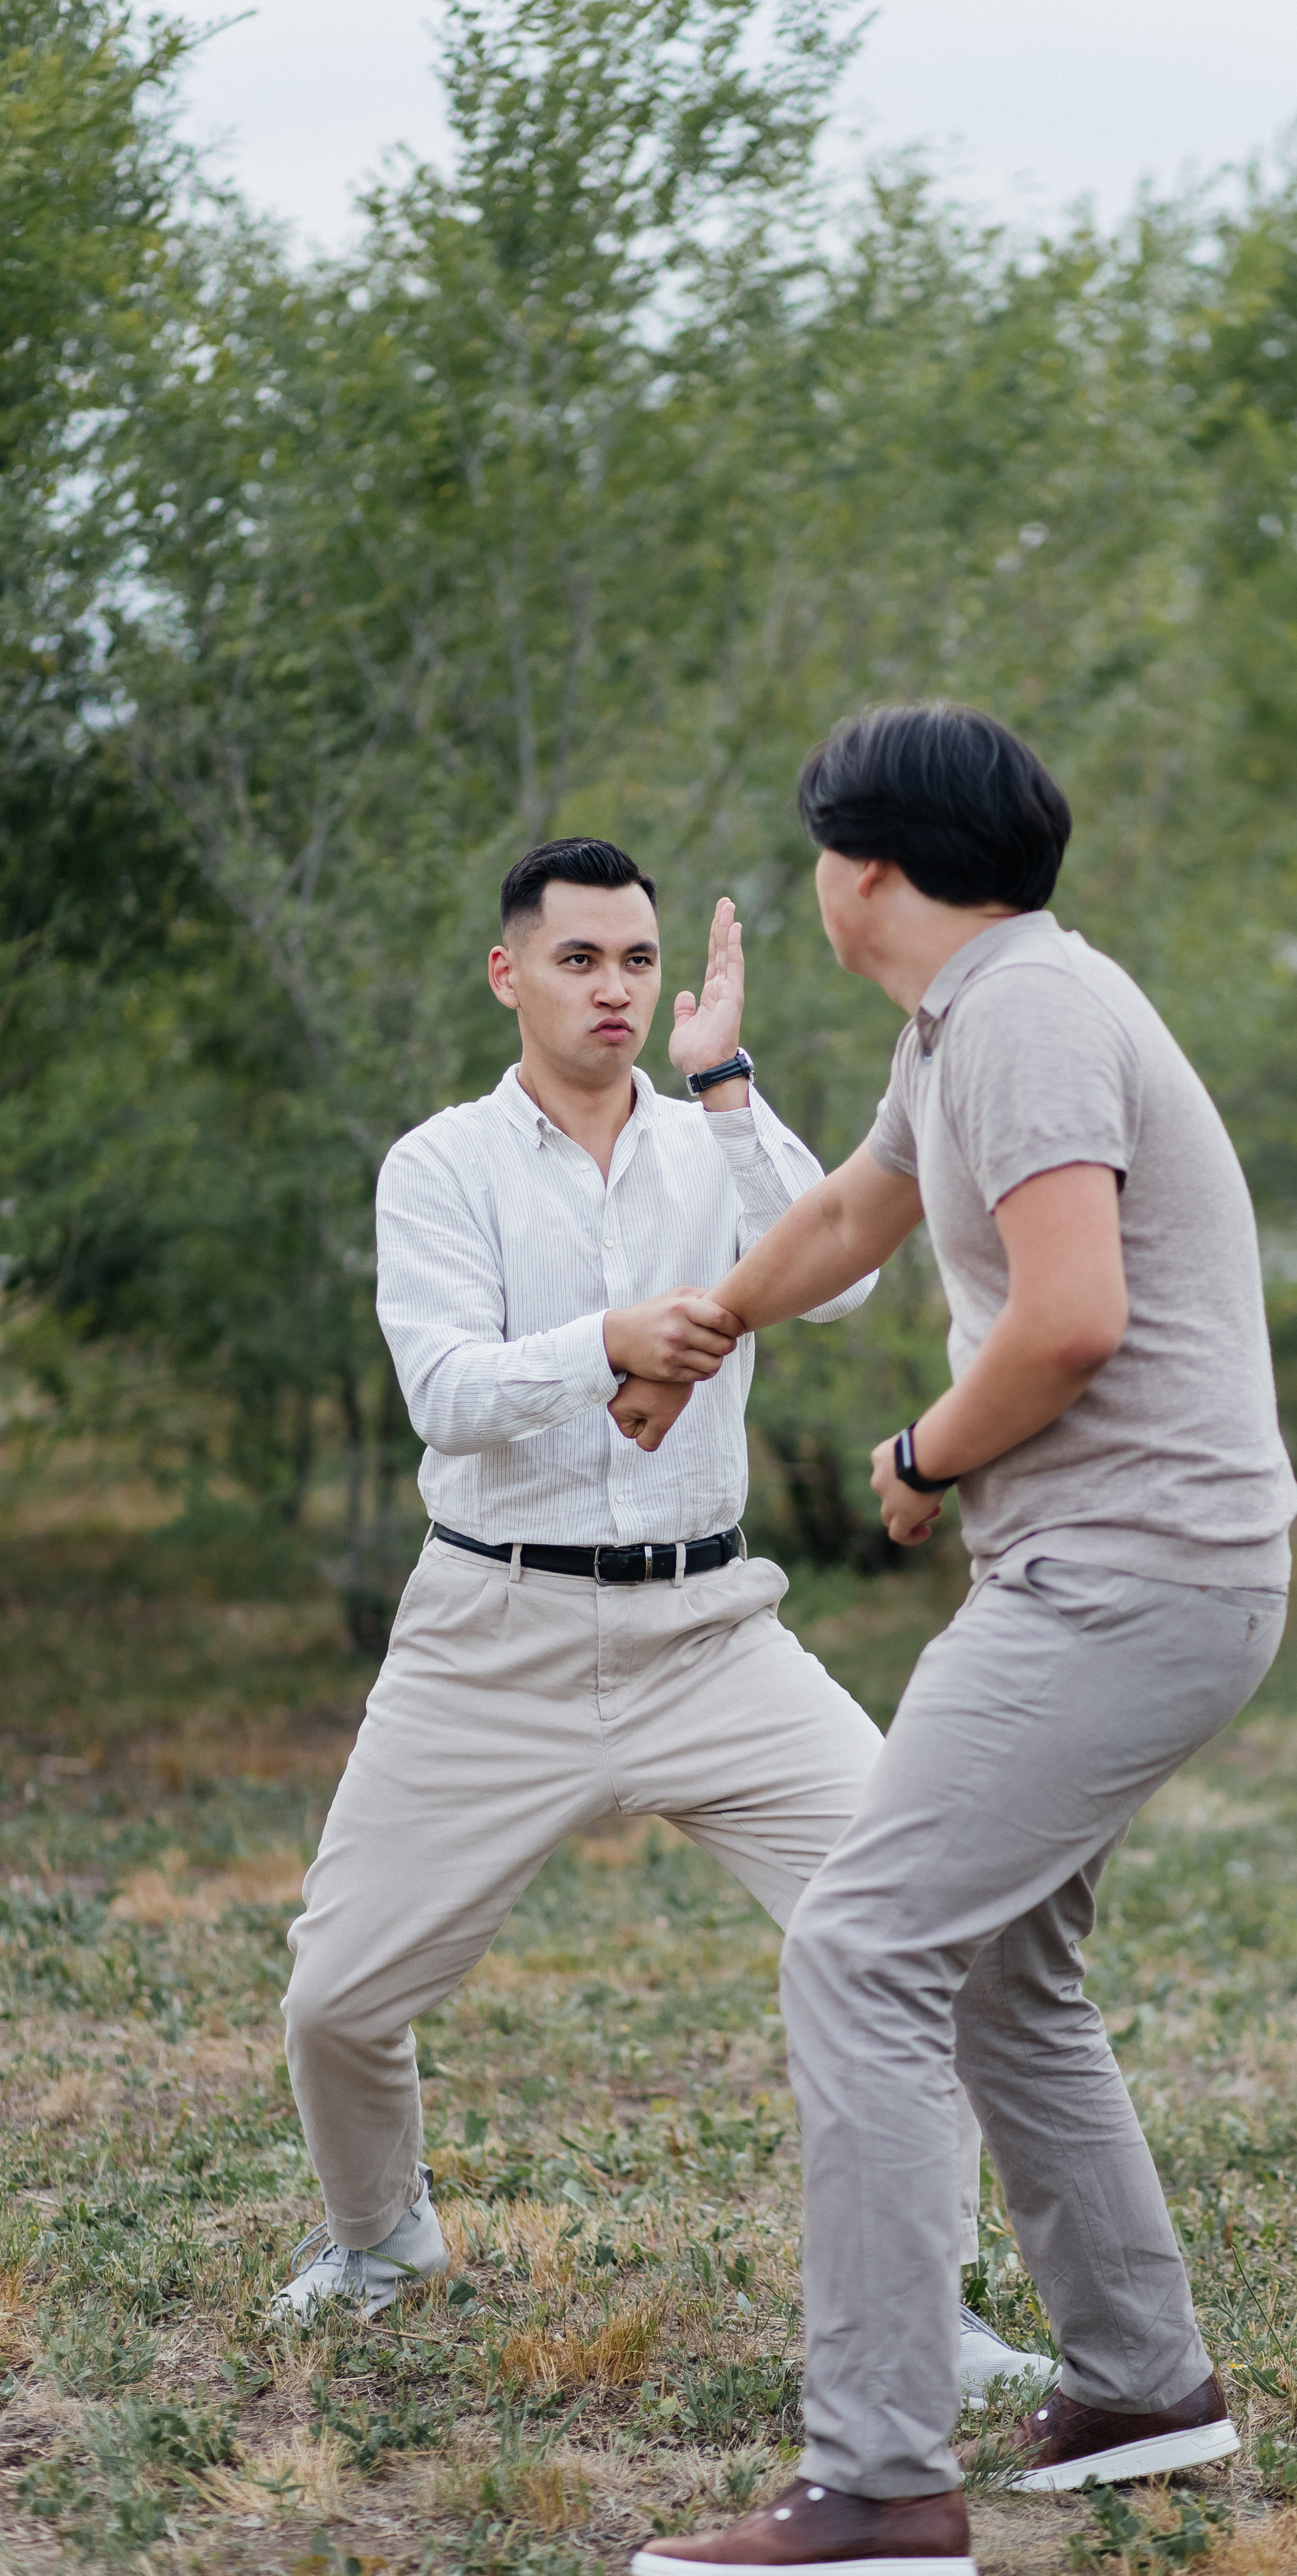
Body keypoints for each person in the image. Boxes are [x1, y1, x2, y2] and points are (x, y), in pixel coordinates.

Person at [632, 708, 1297, 2576]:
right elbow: (852, 1214)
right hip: (1147, 1574)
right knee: (1003, 1973)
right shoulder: (984, 1017)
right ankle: (1139, 2388)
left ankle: (876, 2487)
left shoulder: (1024, 1019)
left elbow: (1071, 1317)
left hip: (1127, 1578)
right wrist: (699, 1317)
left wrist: (924, 1455)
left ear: (866, 874)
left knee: (863, 1944)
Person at [271, 835, 1037, 2406]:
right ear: (508, 975)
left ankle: (923, 2314)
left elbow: (837, 1287)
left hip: (711, 1631)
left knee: (915, 1935)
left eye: (634, 962)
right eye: (578, 961)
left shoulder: (713, 1143)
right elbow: (444, 1394)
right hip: (492, 1631)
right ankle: (378, 2239)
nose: (612, 989)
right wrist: (602, 1340)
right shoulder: (438, 1166)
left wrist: (731, 1083)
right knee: (336, 2001)